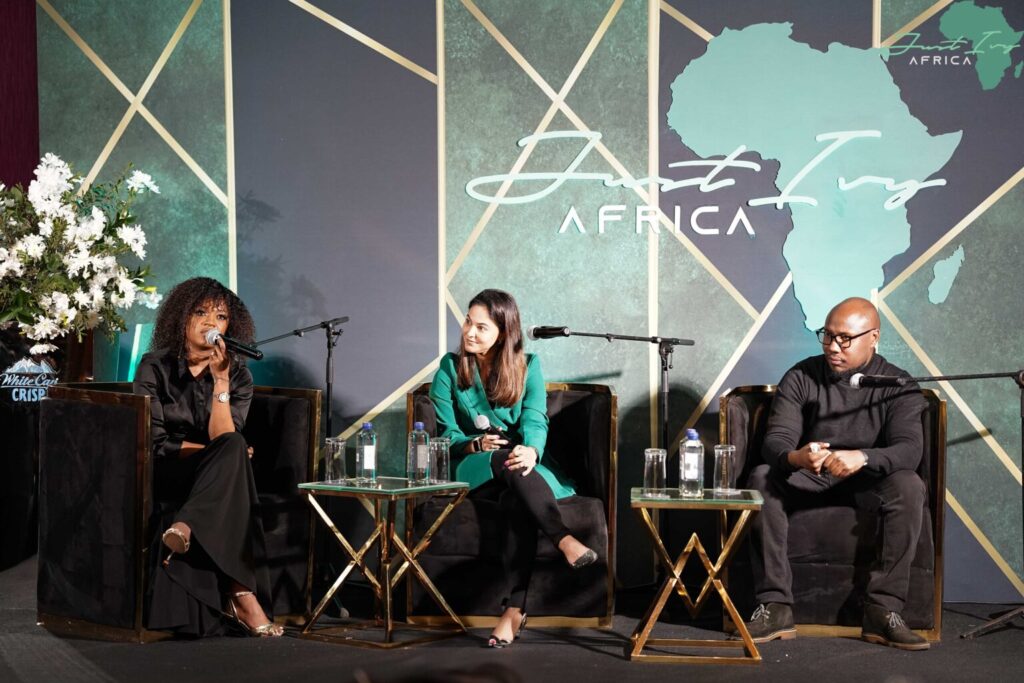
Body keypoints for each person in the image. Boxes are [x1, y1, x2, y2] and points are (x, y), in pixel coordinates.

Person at [743, 297, 929, 651]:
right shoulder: (801, 376)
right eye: (827, 335)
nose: (832, 346)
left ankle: (883, 610)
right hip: (811, 474)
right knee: (762, 478)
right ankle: (775, 607)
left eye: (845, 338)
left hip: (867, 480)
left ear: (873, 337)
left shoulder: (899, 383)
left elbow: (909, 450)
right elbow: (777, 439)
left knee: (908, 485)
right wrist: (795, 457)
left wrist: (863, 457)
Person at [429, 289, 598, 648]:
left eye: (481, 327)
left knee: (514, 499)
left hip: (520, 467)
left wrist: (532, 451)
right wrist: (475, 444)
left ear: (504, 333)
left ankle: (514, 610)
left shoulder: (528, 365)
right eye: (468, 322)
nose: (469, 332)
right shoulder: (449, 367)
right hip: (472, 465)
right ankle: (563, 538)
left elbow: (536, 418)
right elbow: (446, 434)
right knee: (506, 464)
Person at [134, 277, 282, 638]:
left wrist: (221, 383)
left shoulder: (238, 375)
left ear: (230, 327)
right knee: (234, 452)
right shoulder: (155, 366)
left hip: (215, 474)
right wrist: (220, 453)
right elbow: (155, 442)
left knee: (232, 448)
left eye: (220, 316)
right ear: (182, 317)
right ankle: (242, 597)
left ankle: (186, 525)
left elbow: (223, 436)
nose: (210, 322)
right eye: (200, 312)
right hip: (168, 468)